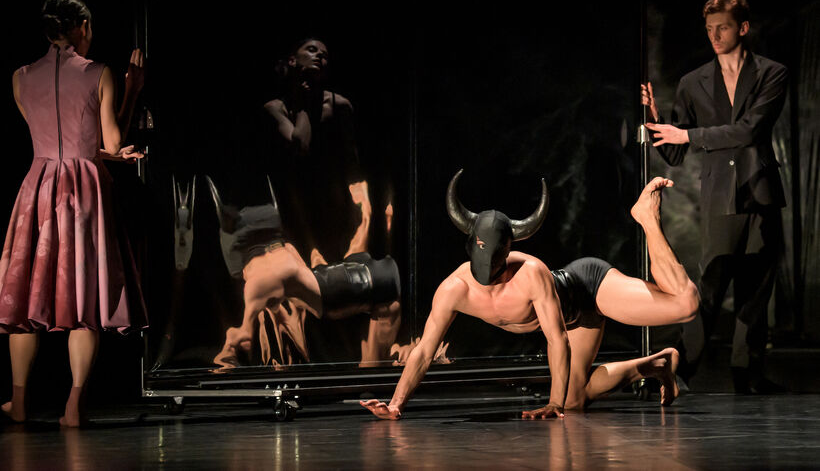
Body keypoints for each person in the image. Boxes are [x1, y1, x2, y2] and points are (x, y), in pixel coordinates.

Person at [361, 171, 698, 419]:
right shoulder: (454, 289)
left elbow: (557, 340)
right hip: (574, 320)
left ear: (506, 254)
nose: (487, 274)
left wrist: (552, 404)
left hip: (588, 288)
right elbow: (422, 352)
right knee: (574, 401)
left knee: (685, 304)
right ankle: (658, 363)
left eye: (495, 264)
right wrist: (395, 404)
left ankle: (647, 218)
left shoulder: (531, 273)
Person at [0, 0, 148, 426]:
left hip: (39, 189)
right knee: (83, 299)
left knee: (29, 297)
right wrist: (133, 89)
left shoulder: (20, 77)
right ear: (81, 27)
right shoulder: (100, 74)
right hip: (84, 192)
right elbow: (109, 142)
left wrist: (101, 153)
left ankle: (20, 403)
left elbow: (54, 141)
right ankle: (73, 408)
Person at [642, 0, 787, 392]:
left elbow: (750, 131)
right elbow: (674, 152)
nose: (715, 35)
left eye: (722, 27)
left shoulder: (772, 73)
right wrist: (656, 118)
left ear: (742, 27)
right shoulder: (694, 82)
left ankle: (749, 374)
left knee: (756, 290)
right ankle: (680, 369)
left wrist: (686, 133)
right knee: (710, 286)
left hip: (759, 190)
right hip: (720, 194)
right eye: (709, 29)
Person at [206, 176, 401, 367]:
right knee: (388, 306)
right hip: (345, 277)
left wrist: (231, 344)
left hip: (351, 284)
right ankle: (372, 373)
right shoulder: (281, 253)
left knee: (387, 303)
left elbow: (245, 338)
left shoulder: (257, 284)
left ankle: (371, 376)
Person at [263, 38, 372, 264]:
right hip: (291, 208)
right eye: (312, 50)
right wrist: (303, 106)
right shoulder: (275, 108)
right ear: (292, 60)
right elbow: (299, 145)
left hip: (332, 208)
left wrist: (357, 206)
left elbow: (353, 163)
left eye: (324, 54)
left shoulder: (339, 106)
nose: (320, 56)